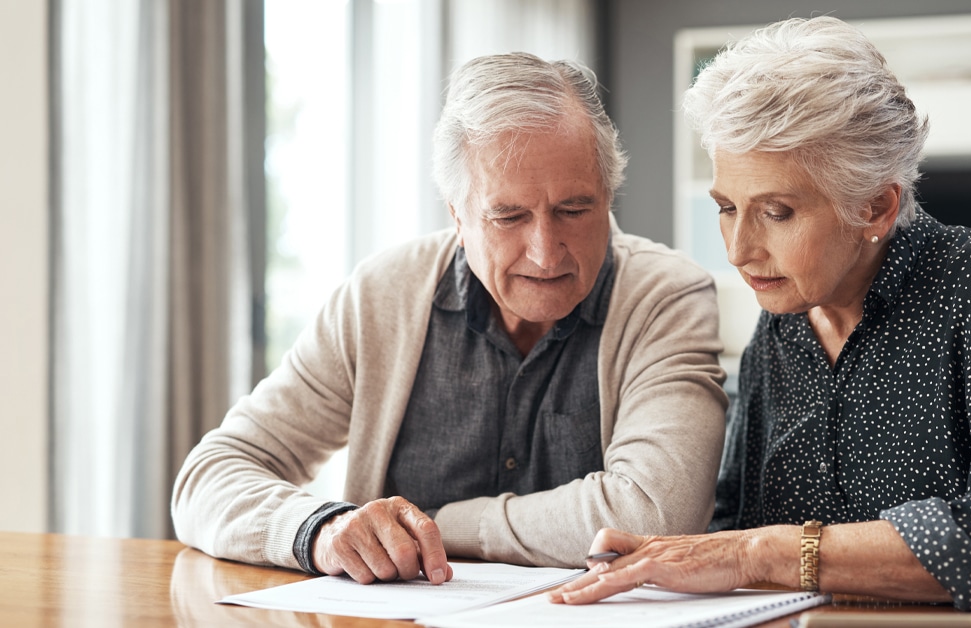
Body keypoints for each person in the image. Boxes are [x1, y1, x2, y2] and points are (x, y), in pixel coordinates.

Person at [550, 16, 971, 611]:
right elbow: (739, 519)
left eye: (777, 212)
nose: (738, 250)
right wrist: (668, 560)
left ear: (877, 208)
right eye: (727, 207)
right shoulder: (779, 322)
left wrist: (763, 554)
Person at [171, 52, 728, 586]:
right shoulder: (381, 297)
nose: (546, 251)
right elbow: (210, 476)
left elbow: (656, 513)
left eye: (574, 210)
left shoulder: (665, 297)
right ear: (457, 215)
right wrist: (325, 529)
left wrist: (441, 524)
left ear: (608, 196)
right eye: (509, 216)